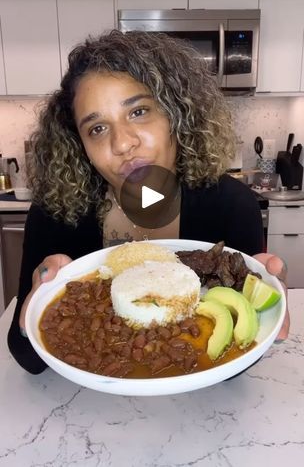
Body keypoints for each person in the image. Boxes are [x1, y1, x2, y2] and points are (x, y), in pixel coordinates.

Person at [7, 30, 289, 374]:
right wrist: (32, 314)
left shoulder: (232, 205)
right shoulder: (56, 212)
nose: (123, 143)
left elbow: (242, 357)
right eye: (97, 128)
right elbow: (27, 356)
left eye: (139, 111)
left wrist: (263, 310)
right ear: (80, 145)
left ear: (176, 115)